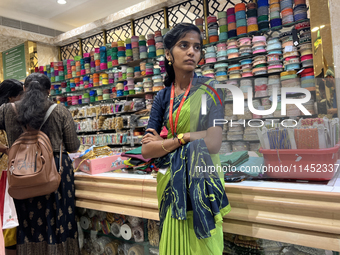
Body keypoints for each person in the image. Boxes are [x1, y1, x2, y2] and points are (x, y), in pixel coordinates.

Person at [141, 23, 231, 255]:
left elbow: (213, 143)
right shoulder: (162, 97)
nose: (192, 51)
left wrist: (173, 139)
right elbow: (147, 151)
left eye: (197, 47)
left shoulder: (211, 90)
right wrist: (186, 138)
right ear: (169, 54)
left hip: (203, 176)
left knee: (205, 246)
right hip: (171, 182)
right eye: (184, 45)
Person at [0, 73, 80, 255]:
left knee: (28, 223)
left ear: (24, 89)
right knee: (59, 221)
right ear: (49, 90)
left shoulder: (7, 109)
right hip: (55, 172)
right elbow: (73, 146)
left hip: (22, 172)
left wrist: (5, 148)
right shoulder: (59, 111)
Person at [0, 79, 23, 255]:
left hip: (9, 169)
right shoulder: (6, 113)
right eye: (20, 95)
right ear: (10, 97)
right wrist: (6, 150)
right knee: (8, 215)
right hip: (4, 172)